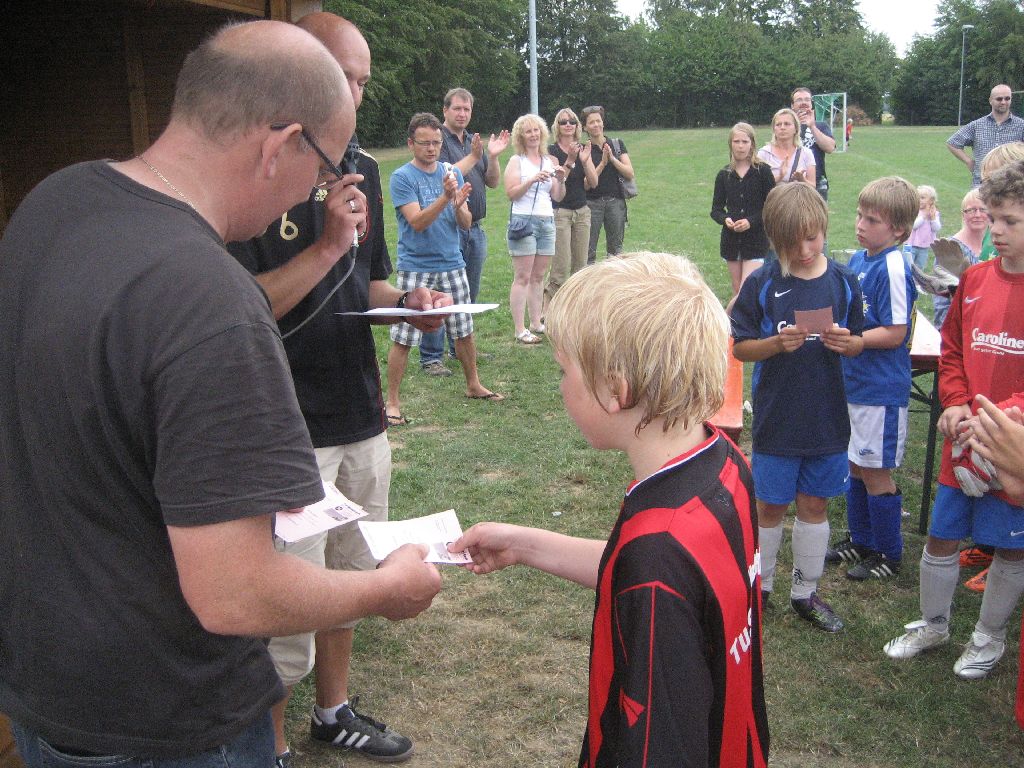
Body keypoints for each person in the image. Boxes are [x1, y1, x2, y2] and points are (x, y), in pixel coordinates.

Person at [0, 20, 441, 767]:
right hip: (168, 715)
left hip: (48, 689)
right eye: (323, 165)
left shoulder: (56, 200)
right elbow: (235, 593)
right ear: (281, 145)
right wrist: (383, 589)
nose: (320, 188)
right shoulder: (210, 298)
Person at [450, 252, 770, 768]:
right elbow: (668, 574)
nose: (560, 386)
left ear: (616, 390)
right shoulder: (724, 464)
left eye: (564, 371)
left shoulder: (657, 558)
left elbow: (660, 744)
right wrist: (524, 545)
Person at [225, 14, 444, 765]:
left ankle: (333, 710)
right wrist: (323, 245)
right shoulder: (258, 174)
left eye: (361, 81)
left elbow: (367, 279)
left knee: (352, 574)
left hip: (360, 409)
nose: (352, 94)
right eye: (341, 76)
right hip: (288, 426)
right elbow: (241, 307)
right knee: (290, 599)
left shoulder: (362, 169)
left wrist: (407, 301)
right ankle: (272, 746)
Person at [883, 160, 1024, 680]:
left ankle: (989, 636)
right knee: (942, 535)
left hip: (1011, 447)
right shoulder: (976, 279)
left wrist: (997, 422)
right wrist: (957, 402)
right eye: (992, 217)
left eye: (1009, 220)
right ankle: (934, 624)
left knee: (1012, 545)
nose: (996, 230)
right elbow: (953, 348)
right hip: (962, 437)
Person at [731, 183, 864, 632]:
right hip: (777, 419)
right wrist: (773, 344)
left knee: (814, 504)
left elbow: (860, 340)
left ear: (824, 228)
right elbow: (740, 347)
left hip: (827, 420)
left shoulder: (843, 281)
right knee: (770, 507)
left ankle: (806, 593)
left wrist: (849, 343)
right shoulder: (763, 282)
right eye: (793, 243)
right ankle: (761, 589)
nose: (805, 251)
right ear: (774, 239)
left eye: (813, 238)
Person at [828, 178, 918, 582]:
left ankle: (888, 552)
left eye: (872, 220)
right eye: (859, 215)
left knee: (876, 470)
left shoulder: (894, 266)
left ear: (898, 230)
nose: (860, 225)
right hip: (855, 383)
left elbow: (897, 332)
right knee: (855, 462)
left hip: (880, 390)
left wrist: (858, 341)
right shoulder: (861, 259)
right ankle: (862, 540)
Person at [385, 112, 503, 423]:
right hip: (416, 267)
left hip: (452, 262)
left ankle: (473, 385)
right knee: (404, 336)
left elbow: (465, 222)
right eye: (424, 143)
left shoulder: (451, 173)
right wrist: (445, 197)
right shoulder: (402, 178)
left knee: (464, 330)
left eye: (436, 142)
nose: (432, 148)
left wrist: (458, 205)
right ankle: (392, 402)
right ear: (411, 143)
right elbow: (417, 221)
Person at [419, 88, 510, 377]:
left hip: (475, 227)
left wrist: (492, 157)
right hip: (447, 228)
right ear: (445, 110)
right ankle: (431, 357)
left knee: (468, 290)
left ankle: (461, 347)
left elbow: (492, 182)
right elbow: (441, 173)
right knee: (439, 293)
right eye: (457, 108)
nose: (462, 114)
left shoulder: (473, 141)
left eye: (467, 109)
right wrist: (473, 157)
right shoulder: (438, 140)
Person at [504, 113, 566, 343]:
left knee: (539, 276)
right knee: (523, 276)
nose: (533, 135)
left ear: (542, 133)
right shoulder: (516, 161)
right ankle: (520, 329)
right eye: (528, 131)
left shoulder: (549, 161)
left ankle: (536, 322)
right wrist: (531, 180)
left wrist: (561, 179)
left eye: (536, 130)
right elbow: (511, 193)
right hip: (524, 221)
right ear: (521, 136)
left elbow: (557, 196)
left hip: (546, 220)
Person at [711, 122, 776, 299]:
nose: (740, 146)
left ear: (752, 144)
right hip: (731, 241)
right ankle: (736, 317)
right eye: (736, 141)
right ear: (730, 144)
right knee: (736, 287)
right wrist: (725, 219)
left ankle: (730, 315)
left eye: (745, 142)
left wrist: (750, 221)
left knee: (746, 288)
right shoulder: (724, 174)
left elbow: (771, 207)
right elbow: (716, 210)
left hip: (755, 240)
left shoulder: (763, 172)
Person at [544, 107, 598, 313]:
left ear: (577, 126)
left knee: (581, 268)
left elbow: (593, 183)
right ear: (557, 126)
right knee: (559, 267)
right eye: (563, 122)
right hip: (561, 213)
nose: (568, 125)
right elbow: (558, 181)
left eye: (572, 121)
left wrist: (585, 161)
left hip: (582, 212)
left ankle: (575, 312)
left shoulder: (583, 149)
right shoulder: (551, 152)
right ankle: (548, 312)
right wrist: (571, 161)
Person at [580, 105, 635, 265]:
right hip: (591, 203)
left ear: (603, 122)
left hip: (615, 202)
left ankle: (613, 280)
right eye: (591, 122)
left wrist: (612, 159)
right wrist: (603, 163)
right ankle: (588, 280)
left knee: (615, 252)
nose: (596, 125)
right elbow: (585, 185)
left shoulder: (616, 144)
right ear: (585, 127)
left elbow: (630, 173)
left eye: (598, 121)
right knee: (588, 251)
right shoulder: (583, 150)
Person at [947, 84, 1024, 188]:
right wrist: (968, 161)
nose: (1003, 102)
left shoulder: (1021, 125)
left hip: (1011, 186)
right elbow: (953, 143)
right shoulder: (977, 125)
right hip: (981, 185)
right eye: (999, 99)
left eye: (1007, 98)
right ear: (990, 100)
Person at [930, 189, 987, 329]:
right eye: (971, 210)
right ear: (963, 215)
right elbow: (941, 300)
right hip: (957, 327)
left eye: (982, 209)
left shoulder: (995, 247)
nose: (977, 215)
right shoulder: (950, 249)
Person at [791, 88, 835, 199]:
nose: (804, 102)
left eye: (807, 99)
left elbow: (830, 148)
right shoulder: (786, 126)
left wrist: (812, 126)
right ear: (792, 106)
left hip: (817, 183)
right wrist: (795, 125)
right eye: (799, 100)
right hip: (790, 182)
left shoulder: (821, 126)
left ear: (811, 104)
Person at [757, 108, 815, 186]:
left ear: (796, 128)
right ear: (774, 129)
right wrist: (780, 177)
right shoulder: (764, 153)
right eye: (778, 124)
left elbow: (813, 187)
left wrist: (802, 180)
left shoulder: (806, 153)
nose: (782, 127)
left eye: (787, 124)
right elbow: (757, 185)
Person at [908, 185, 941, 272]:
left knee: (919, 267)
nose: (919, 200)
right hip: (910, 244)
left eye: (922, 198)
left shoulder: (934, 213)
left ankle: (916, 280)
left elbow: (936, 228)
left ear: (931, 201)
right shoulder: (913, 210)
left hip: (924, 247)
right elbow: (914, 225)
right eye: (917, 197)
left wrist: (933, 219)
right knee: (907, 266)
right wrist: (924, 216)